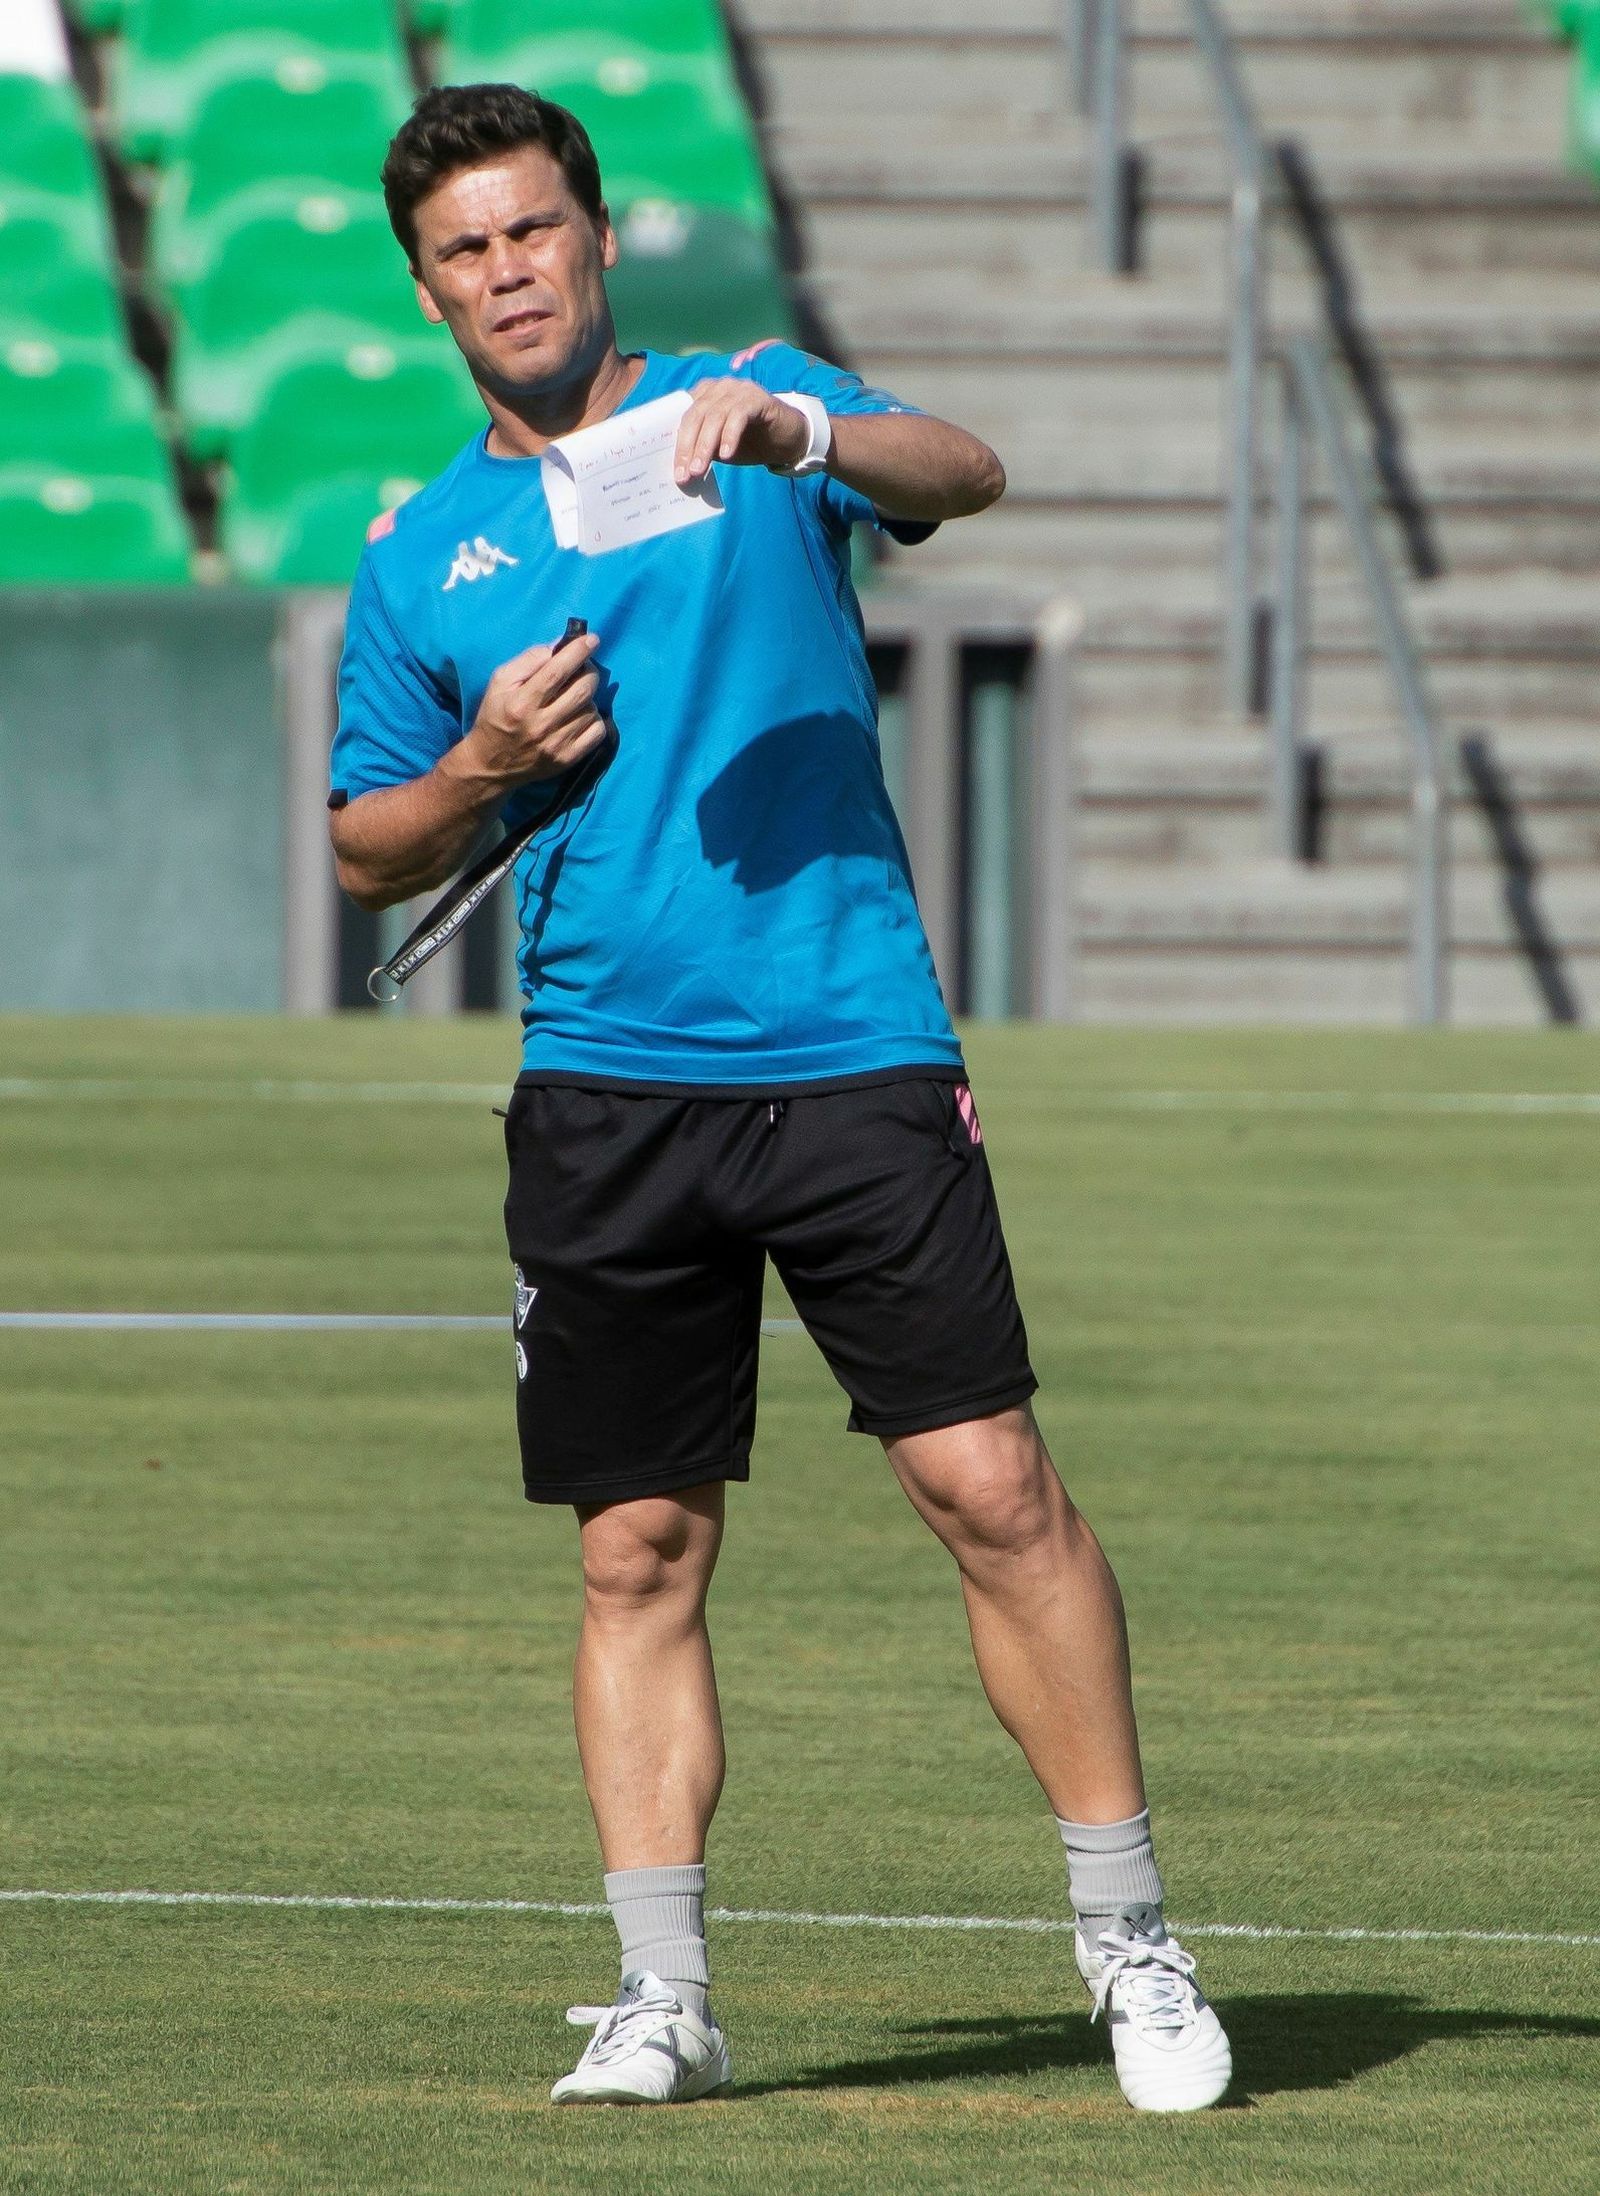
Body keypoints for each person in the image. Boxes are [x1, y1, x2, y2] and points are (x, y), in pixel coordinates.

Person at [328, 81, 1231, 2114]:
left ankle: (1131, 1944)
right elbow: (367, 846)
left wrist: (800, 432)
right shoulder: (421, 554)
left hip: (850, 1051)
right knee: (636, 1549)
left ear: (596, 235)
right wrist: (481, 770)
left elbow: (966, 470)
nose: (508, 271)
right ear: (426, 291)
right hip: (602, 1088)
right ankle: (662, 1994)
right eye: (466, 250)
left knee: (990, 1488)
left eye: (534, 229)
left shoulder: (748, 400)